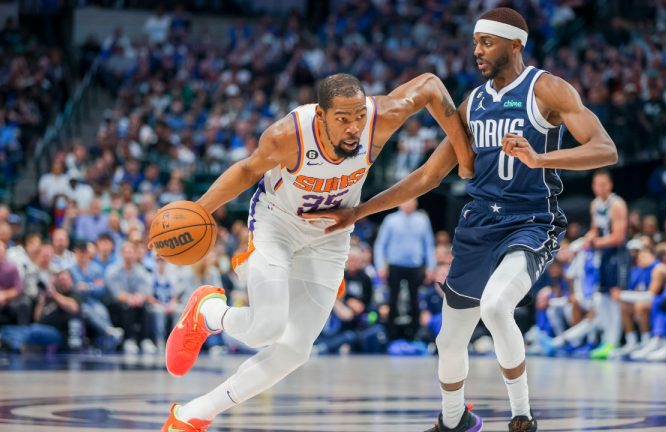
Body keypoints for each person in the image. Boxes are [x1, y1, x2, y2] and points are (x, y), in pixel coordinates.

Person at [309, 7, 617, 432]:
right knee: (449, 339)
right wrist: (358, 212)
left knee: (496, 305)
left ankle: (522, 416)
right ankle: (454, 420)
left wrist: (540, 158)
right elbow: (429, 175)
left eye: (486, 42)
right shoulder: (474, 103)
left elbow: (605, 149)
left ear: (515, 44)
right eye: (475, 43)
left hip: (529, 221)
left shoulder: (546, 88)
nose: (477, 51)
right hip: (478, 226)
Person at [159, 71, 472, 432]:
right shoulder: (288, 135)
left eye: (359, 116)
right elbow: (245, 171)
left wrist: (463, 154)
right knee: (266, 328)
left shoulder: (380, 119)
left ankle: (193, 415)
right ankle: (208, 312)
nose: (354, 128)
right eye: (343, 119)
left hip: (330, 235)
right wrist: (198, 210)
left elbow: (430, 85)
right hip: (277, 225)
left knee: (295, 349)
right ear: (320, 115)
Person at [373, 198, 435, 341]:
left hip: (415, 266)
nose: (408, 204)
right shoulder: (390, 220)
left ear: (416, 203)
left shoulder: (422, 220)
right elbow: (380, 244)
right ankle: (391, 335)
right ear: (400, 203)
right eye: (405, 201)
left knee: (415, 301)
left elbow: (429, 244)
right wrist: (380, 266)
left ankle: (415, 335)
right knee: (392, 301)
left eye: (411, 201)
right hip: (395, 265)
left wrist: (431, 267)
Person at [583, 170, 629, 360]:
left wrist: (596, 243)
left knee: (615, 297)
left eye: (603, 184)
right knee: (601, 297)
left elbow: (619, 237)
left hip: (617, 255)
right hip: (602, 254)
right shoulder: (595, 205)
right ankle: (607, 339)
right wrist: (587, 239)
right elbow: (595, 230)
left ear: (610, 185)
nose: (600, 188)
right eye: (597, 184)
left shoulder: (617, 204)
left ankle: (614, 342)